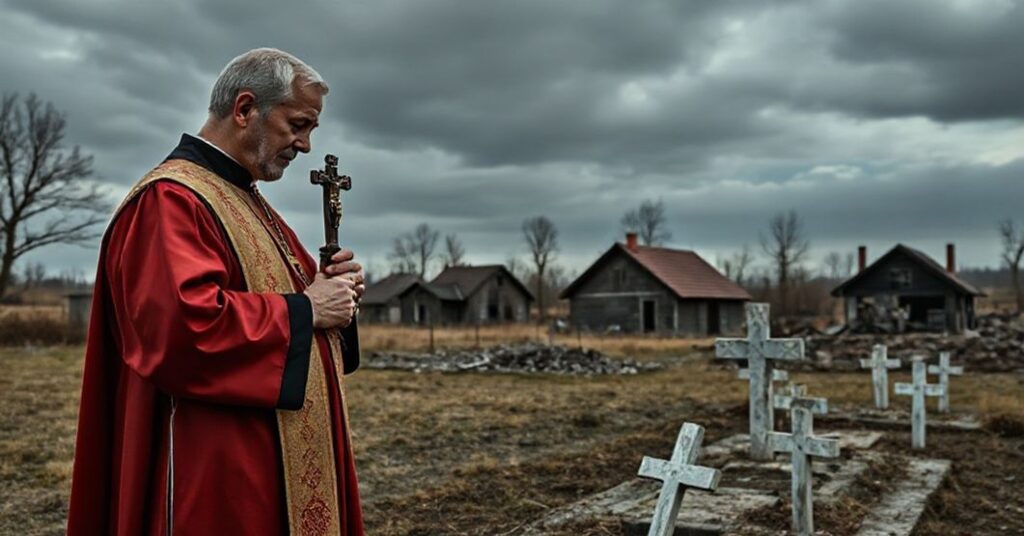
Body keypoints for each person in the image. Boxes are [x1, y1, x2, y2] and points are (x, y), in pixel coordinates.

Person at [67, 48, 366, 535]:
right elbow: (182, 329)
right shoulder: (171, 200)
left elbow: (310, 313)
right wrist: (307, 310)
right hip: (216, 469)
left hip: (275, 460)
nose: (306, 145)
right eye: (298, 125)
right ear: (245, 109)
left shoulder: (249, 203)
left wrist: (338, 300)